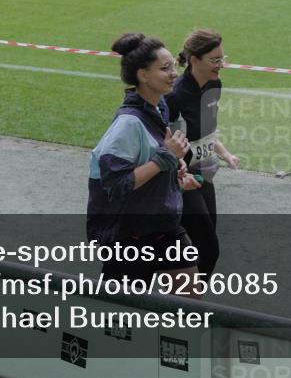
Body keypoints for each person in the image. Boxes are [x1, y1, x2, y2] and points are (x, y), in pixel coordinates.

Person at [87, 33, 202, 286]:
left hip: (162, 226)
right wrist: (166, 158)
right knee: (121, 316)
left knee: (190, 296)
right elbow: (117, 184)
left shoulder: (158, 107)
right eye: (165, 68)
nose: (174, 73)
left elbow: (150, 160)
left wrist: (175, 170)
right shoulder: (128, 123)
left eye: (173, 65)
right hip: (129, 234)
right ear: (143, 75)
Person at [166, 29, 240, 278]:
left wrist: (225, 154)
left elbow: (207, 133)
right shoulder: (175, 95)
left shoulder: (214, 85)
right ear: (194, 60)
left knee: (206, 244)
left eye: (222, 58)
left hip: (202, 172)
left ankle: (185, 301)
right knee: (206, 249)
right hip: (179, 178)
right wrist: (177, 169)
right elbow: (161, 140)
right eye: (215, 60)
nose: (221, 65)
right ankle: (181, 304)